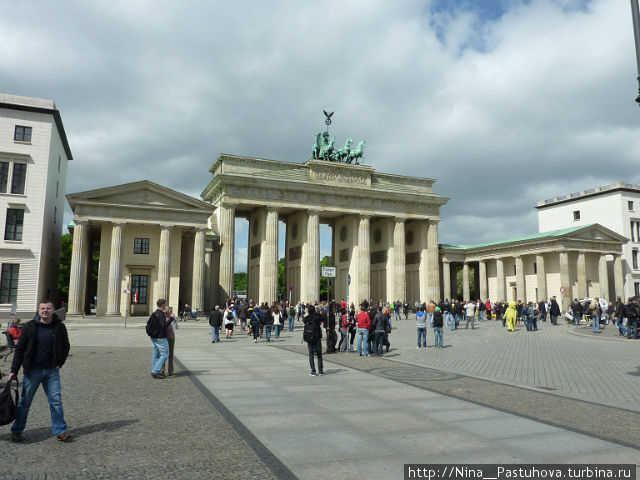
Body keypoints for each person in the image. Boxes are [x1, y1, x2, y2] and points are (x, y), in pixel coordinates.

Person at [8, 300, 71, 443]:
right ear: (38, 310)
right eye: (42, 308)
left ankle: (60, 431)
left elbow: (66, 346)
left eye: (48, 308)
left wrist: (60, 362)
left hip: (51, 371)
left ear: (53, 310)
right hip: (32, 371)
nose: (45, 311)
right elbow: (20, 350)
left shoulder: (59, 327)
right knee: (25, 402)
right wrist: (13, 370)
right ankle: (17, 430)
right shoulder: (30, 327)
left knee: (56, 401)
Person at [149, 299, 172, 379]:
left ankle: (154, 370)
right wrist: (171, 319)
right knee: (165, 354)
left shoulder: (154, 313)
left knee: (156, 354)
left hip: (154, 336)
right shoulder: (161, 314)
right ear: (162, 305)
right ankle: (155, 371)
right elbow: (163, 326)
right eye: (165, 304)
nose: (165, 306)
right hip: (161, 337)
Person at [303, 305, 323, 376]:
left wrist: (306, 314)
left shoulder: (307, 318)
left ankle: (313, 370)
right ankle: (320, 370)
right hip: (317, 336)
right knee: (319, 354)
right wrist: (317, 313)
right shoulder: (317, 317)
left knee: (311, 354)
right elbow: (323, 317)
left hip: (310, 337)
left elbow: (304, 321)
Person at [161, 307, 178, 376]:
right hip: (164, 337)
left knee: (171, 354)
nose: (170, 312)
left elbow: (177, 327)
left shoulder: (172, 318)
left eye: (171, 310)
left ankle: (170, 370)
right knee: (163, 354)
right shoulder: (163, 318)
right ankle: (162, 370)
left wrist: (175, 320)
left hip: (171, 337)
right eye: (169, 310)